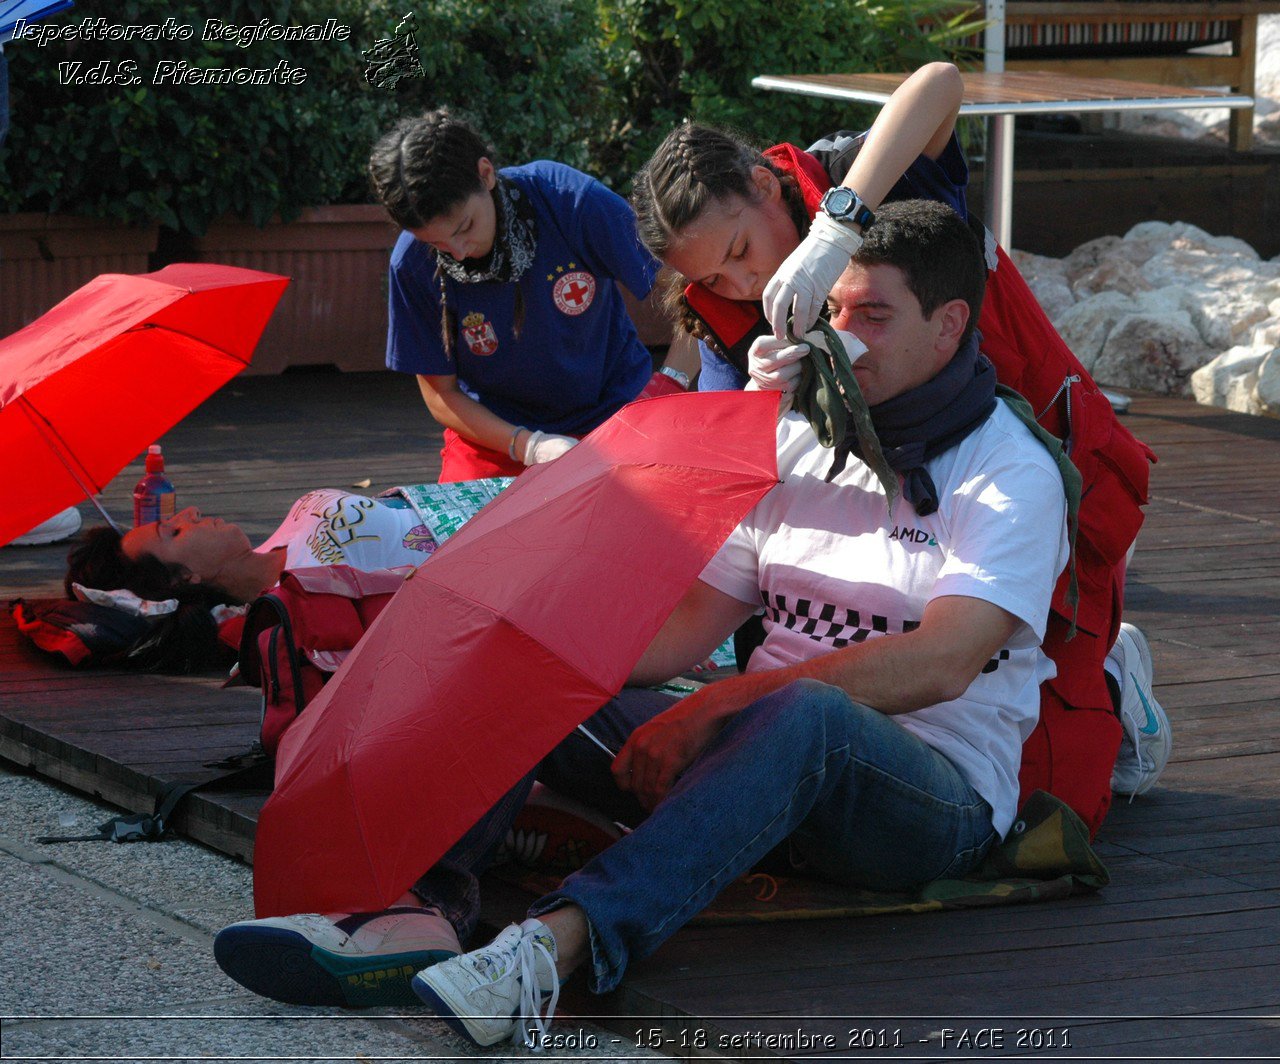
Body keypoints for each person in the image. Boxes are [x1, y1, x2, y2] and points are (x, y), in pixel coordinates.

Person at [211, 201, 1074, 1049]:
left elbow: (944, 662)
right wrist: (530, 625)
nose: (841, 338)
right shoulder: (807, 440)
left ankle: (553, 949)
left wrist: (715, 707)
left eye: (874, 317)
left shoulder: (1009, 472)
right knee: (543, 665)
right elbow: (687, 632)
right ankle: (422, 911)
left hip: (927, 795)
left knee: (805, 718)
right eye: (834, 311)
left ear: (951, 325)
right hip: (755, 739)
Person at [631, 62, 1166, 831]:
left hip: (1021, 460)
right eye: (718, 274)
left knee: (1059, 778)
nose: (748, 281)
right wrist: (754, 401)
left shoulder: (870, 179)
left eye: (745, 248)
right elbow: (729, 470)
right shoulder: (729, 302)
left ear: (764, 181)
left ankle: (1116, 686)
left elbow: (942, 82)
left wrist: (835, 229)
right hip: (885, 515)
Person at [371, 109, 697, 484]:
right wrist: (526, 445)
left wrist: (669, 382)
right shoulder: (411, 263)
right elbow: (440, 394)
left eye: (465, 228)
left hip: (617, 411)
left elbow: (689, 287)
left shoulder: (570, 201)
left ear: (486, 174)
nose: (457, 252)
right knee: (470, 538)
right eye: (437, 244)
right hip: (496, 435)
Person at [63, 484, 496, 671]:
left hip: (486, 501)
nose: (190, 514)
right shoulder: (303, 604)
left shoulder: (288, 527)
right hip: (497, 563)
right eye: (174, 532)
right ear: (187, 578)